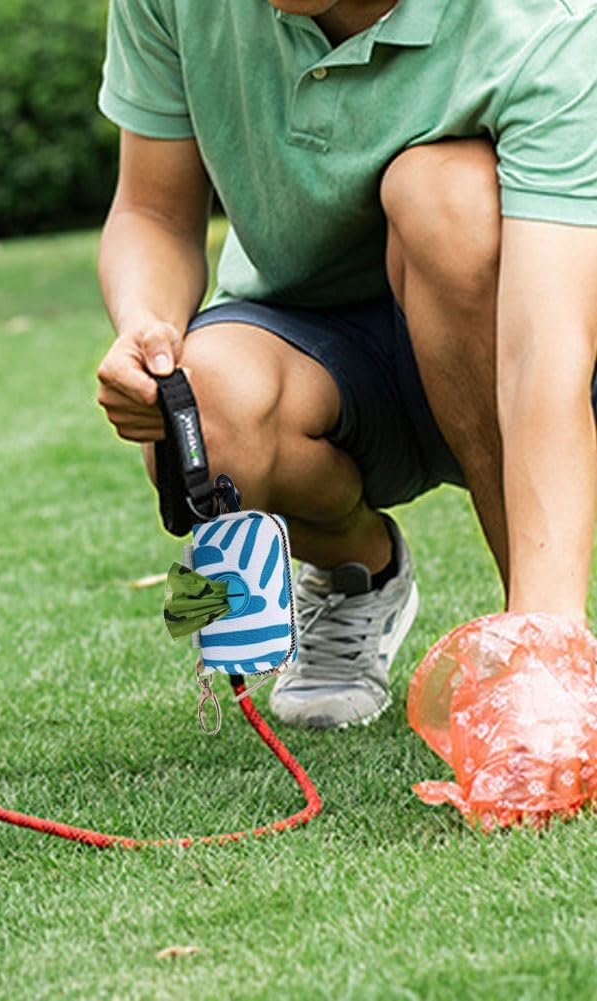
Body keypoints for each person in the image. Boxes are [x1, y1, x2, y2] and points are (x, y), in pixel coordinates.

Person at [95, 0, 597, 728]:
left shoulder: (543, 19)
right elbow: (153, 211)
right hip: (316, 349)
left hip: (510, 325)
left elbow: (541, 354)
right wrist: (147, 325)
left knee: (440, 193)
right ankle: (356, 572)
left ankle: (534, 648)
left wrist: (547, 645)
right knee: (198, 413)